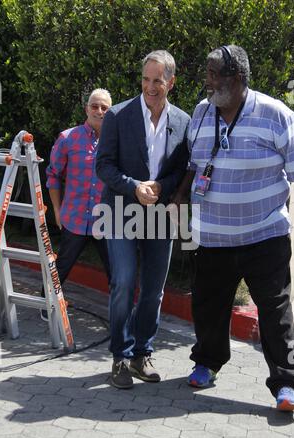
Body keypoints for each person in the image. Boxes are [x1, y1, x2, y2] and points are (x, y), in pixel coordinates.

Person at [175, 45, 294, 411]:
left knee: (275, 310)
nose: (208, 83)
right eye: (208, 75)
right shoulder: (201, 112)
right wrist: (180, 196)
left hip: (265, 235)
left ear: (238, 79)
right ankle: (207, 363)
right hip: (213, 236)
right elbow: (195, 165)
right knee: (209, 305)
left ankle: (286, 384)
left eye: (215, 76)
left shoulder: (276, 115)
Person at [96, 50, 190, 389]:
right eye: (146, 80)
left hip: (160, 215)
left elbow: (182, 169)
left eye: (158, 81)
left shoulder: (183, 121)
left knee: (153, 289)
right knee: (123, 280)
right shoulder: (118, 115)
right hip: (121, 209)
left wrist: (162, 186)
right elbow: (103, 165)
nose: (151, 87)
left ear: (171, 83)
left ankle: (141, 354)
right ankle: (119, 357)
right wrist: (135, 187)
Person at [41, 88, 112, 320]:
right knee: (62, 266)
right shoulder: (67, 138)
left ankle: (121, 316)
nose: (99, 111)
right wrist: (57, 210)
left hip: (105, 220)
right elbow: (53, 175)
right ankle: (47, 305)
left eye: (104, 107)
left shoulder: (116, 141)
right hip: (75, 216)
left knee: (116, 272)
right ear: (86, 109)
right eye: (94, 106)